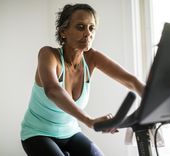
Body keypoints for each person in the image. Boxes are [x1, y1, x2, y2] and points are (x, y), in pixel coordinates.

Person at [20, 3, 145, 156]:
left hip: (71, 132)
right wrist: (89, 120)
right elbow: (52, 90)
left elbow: (131, 81)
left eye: (91, 28)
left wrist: (154, 101)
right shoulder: (48, 55)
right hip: (37, 133)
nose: (87, 33)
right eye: (80, 27)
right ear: (64, 32)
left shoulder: (92, 57)